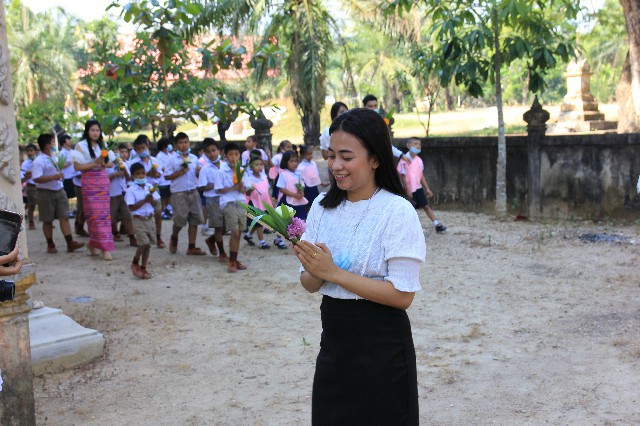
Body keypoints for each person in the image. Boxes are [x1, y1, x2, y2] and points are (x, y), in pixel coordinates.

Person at [292, 108, 426, 425]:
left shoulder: (397, 211)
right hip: (334, 346)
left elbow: (402, 295)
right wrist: (313, 267)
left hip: (383, 350)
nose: (335, 165)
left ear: (375, 158)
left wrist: (333, 273)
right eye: (331, 155)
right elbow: (308, 284)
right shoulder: (321, 207)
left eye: (346, 157)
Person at [31, 133, 84, 254]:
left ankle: (70, 242)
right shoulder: (39, 161)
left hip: (59, 190)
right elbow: (36, 178)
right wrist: (54, 177)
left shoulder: (54, 158)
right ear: (47, 145)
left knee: (64, 217)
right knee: (47, 220)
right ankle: (50, 244)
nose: (55, 144)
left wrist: (59, 176)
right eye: (52, 142)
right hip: (45, 192)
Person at [73, 119, 115, 260]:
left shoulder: (103, 145)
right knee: (94, 216)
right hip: (89, 182)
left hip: (102, 181)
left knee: (104, 216)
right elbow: (77, 167)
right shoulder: (80, 145)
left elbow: (110, 163)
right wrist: (94, 164)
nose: (95, 133)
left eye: (97, 130)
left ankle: (96, 244)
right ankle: (102, 246)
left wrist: (103, 164)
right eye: (92, 130)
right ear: (87, 131)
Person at [163, 132, 206, 255]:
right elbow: (166, 176)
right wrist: (180, 172)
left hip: (193, 191)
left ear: (189, 143)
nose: (184, 145)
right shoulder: (172, 159)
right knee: (180, 220)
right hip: (179, 193)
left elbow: (197, 175)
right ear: (176, 145)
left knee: (195, 219)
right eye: (181, 143)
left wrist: (198, 172)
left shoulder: (194, 158)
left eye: (186, 142)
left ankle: (191, 247)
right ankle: (174, 236)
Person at [398, 137, 447, 233]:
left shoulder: (419, 160)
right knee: (410, 210)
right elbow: (402, 177)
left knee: (426, 206)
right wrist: (407, 190)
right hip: (408, 189)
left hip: (417, 188)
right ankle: (409, 229)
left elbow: (421, 175)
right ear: (408, 146)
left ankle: (437, 224)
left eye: (419, 144)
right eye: (415, 144)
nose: (418, 146)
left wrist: (427, 188)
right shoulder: (403, 161)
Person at [214, 142, 247, 272]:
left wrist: (244, 188)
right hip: (228, 203)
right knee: (235, 231)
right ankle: (231, 261)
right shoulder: (222, 171)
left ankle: (234, 258)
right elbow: (218, 189)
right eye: (231, 154)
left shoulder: (242, 170)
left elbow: (245, 189)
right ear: (225, 156)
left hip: (241, 202)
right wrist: (234, 187)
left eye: (236, 154)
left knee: (239, 233)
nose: (234, 157)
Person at [128, 135, 166, 248]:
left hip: (153, 189)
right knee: (140, 213)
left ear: (147, 146)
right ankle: (141, 235)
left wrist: (156, 174)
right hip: (140, 190)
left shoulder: (154, 160)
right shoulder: (133, 163)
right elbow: (132, 178)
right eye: (138, 149)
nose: (141, 151)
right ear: (135, 150)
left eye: (143, 148)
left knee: (157, 213)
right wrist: (148, 174)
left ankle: (158, 236)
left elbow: (160, 174)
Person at [125, 162, 160, 279]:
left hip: (149, 218)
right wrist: (145, 200)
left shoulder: (149, 187)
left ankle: (144, 267)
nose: (141, 176)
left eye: (143, 173)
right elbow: (131, 207)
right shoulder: (131, 190)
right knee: (143, 243)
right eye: (138, 174)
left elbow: (155, 202)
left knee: (148, 245)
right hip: (139, 220)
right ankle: (135, 261)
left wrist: (151, 200)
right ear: (133, 176)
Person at [198, 139, 228, 261]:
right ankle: (222, 252)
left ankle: (211, 240)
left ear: (219, 151)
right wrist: (216, 184)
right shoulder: (205, 169)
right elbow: (202, 187)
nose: (212, 154)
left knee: (227, 225)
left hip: (225, 198)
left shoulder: (225, 166)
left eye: (214, 150)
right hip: (212, 199)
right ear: (205, 154)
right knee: (218, 226)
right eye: (208, 152)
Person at [363, 94, 411, 164]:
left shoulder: (379, 122)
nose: (373, 109)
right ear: (364, 107)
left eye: (375, 106)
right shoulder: (359, 123)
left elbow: (384, 143)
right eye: (370, 106)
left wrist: (401, 155)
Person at [107, 144, 135, 245]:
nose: (123, 154)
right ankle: (114, 232)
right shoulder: (109, 164)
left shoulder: (125, 164)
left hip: (123, 192)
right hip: (112, 193)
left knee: (127, 215)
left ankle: (132, 237)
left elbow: (129, 178)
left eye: (125, 152)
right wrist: (115, 174)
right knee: (112, 216)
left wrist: (124, 170)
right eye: (120, 152)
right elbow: (105, 179)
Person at [243, 155, 273, 249]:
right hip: (254, 204)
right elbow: (247, 193)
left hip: (264, 204)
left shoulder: (264, 177)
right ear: (251, 167)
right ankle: (261, 241)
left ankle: (248, 235)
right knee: (259, 222)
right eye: (257, 165)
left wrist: (271, 201)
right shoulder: (249, 179)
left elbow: (267, 190)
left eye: (261, 164)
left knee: (257, 223)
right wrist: (250, 189)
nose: (260, 167)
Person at [276, 150, 308, 220]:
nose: (294, 163)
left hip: (299, 200)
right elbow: (281, 189)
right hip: (288, 201)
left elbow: (302, 184)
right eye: (291, 161)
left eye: (295, 161)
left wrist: (302, 192)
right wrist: (294, 195)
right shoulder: (283, 174)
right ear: (285, 162)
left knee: (300, 219)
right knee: (288, 220)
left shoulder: (299, 173)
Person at [297, 145, 328, 211]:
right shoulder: (300, 167)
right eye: (308, 154)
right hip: (306, 189)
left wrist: (321, 183)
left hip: (314, 188)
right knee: (307, 204)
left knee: (315, 202)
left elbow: (316, 175)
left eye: (311, 154)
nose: (310, 156)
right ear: (302, 155)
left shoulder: (313, 163)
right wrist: (300, 190)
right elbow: (299, 180)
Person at [21, 143, 38, 229]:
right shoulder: (25, 164)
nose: (29, 153)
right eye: (28, 151)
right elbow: (23, 178)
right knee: (32, 204)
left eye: (31, 150)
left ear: (35, 151)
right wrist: (30, 174)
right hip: (31, 186)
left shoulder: (39, 160)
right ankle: (31, 221)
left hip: (40, 185)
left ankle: (48, 221)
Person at [59, 135, 77, 211]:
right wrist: (69, 163)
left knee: (76, 193)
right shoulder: (62, 153)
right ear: (64, 142)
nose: (69, 141)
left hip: (75, 175)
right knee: (67, 195)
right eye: (68, 140)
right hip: (67, 176)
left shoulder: (73, 151)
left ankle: (76, 208)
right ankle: (68, 210)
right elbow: (60, 165)